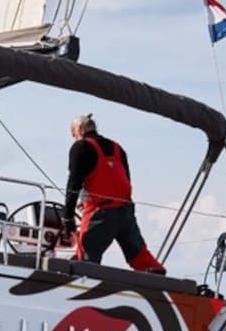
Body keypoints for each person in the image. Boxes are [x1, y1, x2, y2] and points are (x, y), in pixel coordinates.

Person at [62, 114, 166, 274]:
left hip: (99, 213)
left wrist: (67, 217)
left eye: (73, 134)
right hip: (125, 211)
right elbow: (126, 180)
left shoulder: (81, 147)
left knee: (87, 256)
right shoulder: (118, 149)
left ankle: (82, 287)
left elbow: (73, 184)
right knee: (139, 254)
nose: (73, 138)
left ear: (80, 129)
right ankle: (160, 280)